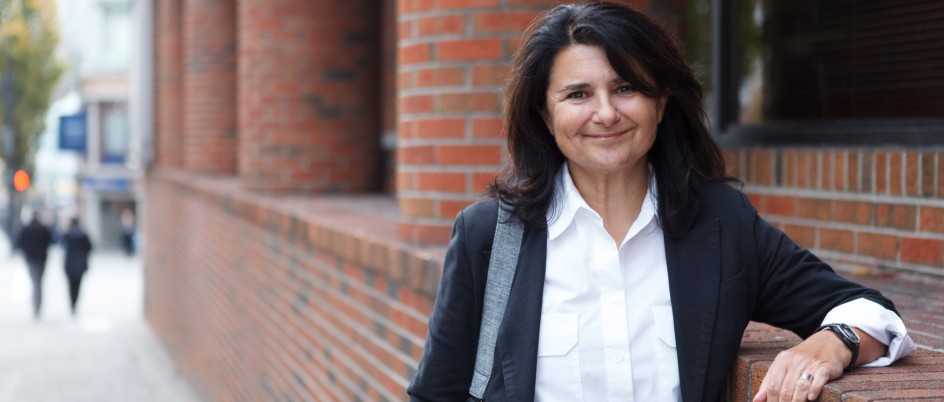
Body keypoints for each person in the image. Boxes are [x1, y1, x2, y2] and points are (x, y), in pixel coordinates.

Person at [407, 3, 915, 402]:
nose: (606, 113)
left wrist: (830, 343)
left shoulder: (721, 225)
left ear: (661, 101)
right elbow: (438, 393)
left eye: (626, 87)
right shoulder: (488, 235)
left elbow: (872, 313)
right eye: (578, 94)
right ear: (544, 113)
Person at [15, 211, 55, 319]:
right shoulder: (43, 228)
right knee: (38, 282)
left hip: (31, 258)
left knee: (35, 282)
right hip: (41, 259)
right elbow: (51, 241)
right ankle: (37, 304)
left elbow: (19, 243)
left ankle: (36, 304)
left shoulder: (26, 228)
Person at [61, 217, 93, 316]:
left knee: (70, 286)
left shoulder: (67, 234)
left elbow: (61, 245)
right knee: (78, 286)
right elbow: (90, 247)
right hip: (80, 264)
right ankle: (75, 304)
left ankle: (72, 304)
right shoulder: (83, 235)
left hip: (69, 264)